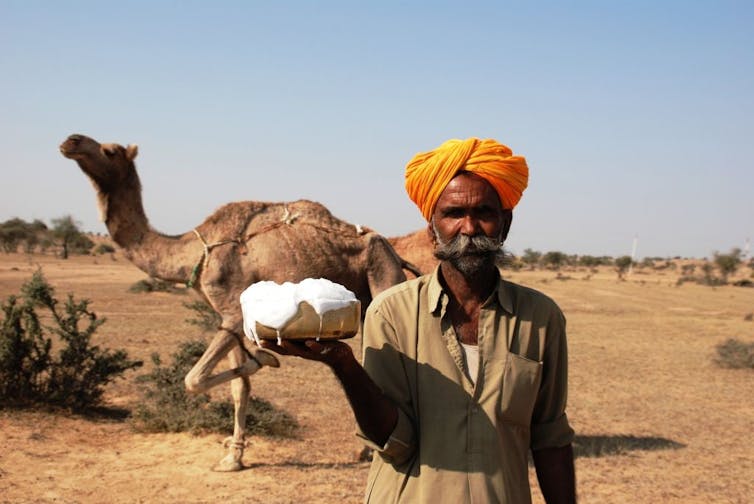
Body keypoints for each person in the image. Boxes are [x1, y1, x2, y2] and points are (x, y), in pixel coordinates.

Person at [262, 137, 576, 503]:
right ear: (432, 229)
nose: (469, 228)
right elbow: (393, 440)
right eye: (454, 214)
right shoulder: (391, 312)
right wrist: (344, 365)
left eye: (485, 214)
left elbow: (551, 439)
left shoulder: (540, 319)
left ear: (504, 224)